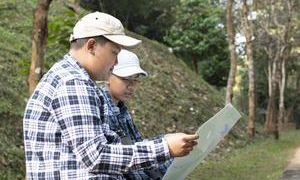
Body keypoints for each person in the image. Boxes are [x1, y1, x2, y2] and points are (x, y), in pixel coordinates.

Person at [23, 11, 198, 180]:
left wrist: (163, 145)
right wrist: (164, 148)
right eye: (114, 53)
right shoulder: (73, 83)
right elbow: (96, 157)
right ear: (91, 46)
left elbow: (113, 147)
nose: (116, 63)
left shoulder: (73, 79)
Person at [101, 49, 172, 179]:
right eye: (126, 79)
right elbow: (122, 158)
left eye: (135, 80)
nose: (131, 86)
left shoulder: (121, 109)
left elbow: (136, 144)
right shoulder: (102, 109)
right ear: (107, 76)